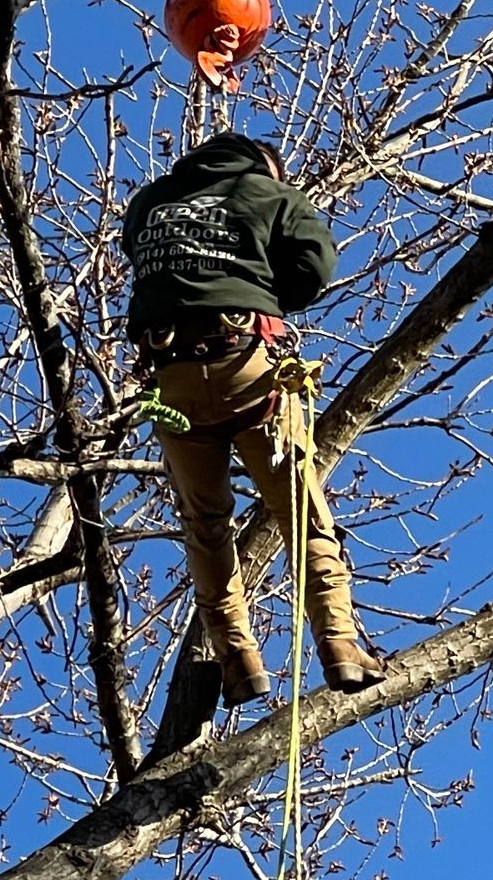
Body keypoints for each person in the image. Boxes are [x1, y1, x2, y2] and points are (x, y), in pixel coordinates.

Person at [123, 132, 385, 707]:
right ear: (266, 164)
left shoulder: (150, 202)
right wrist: (264, 288)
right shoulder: (266, 190)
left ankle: (237, 657)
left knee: (205, 524)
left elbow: (135, 250)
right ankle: (339, 642)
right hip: (247, 362)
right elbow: (314, 264)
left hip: (172, 381)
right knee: (301, 512)